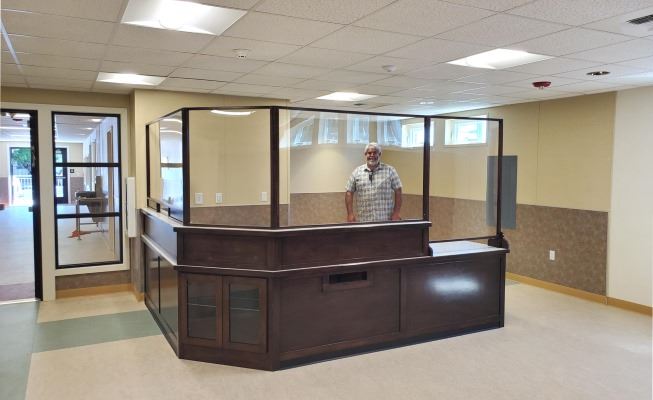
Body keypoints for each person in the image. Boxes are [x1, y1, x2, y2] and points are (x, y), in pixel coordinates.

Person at [345, 142, 402, 223]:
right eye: (369, 153)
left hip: (386, 221)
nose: (372, 155)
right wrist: (350, 214)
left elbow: (398, 191)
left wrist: (396, 213)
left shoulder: (390, 170)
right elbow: (349, 192)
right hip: (364, 221)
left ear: (380, 154)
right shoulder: (357, 172)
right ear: (365, 154)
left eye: (375, 152)